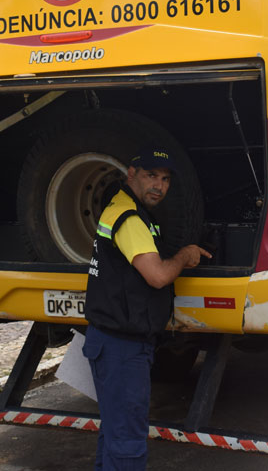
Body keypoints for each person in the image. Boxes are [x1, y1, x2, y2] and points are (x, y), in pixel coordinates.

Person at [82, 148, 211, 470]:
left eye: (165, 179)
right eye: (151, 175)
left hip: (114, 342)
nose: (159, 185)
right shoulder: (129, 218)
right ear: (131, 174)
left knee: (115, 435)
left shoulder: (125, 209)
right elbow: (157, 276)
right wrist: (185, 255)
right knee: (127, 440)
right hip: (122, 348)